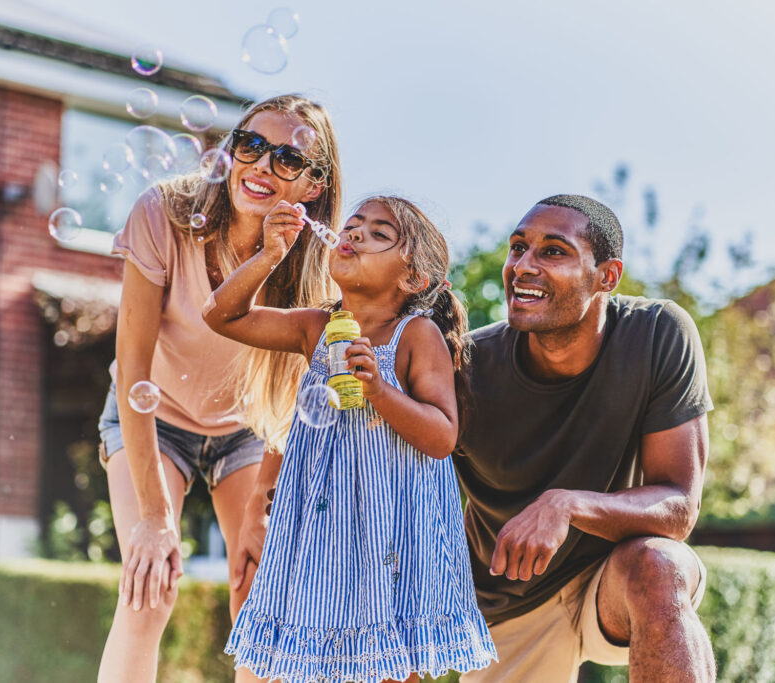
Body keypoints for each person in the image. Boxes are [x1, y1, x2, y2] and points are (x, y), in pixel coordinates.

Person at [96, 94, 342, 683]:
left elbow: (301, 404)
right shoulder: (164, 213)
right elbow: (132, 369)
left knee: (263, 596)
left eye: (287, 159)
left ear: (313, 185)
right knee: (149, 588)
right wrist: (155, 519)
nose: (261, 166)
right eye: (251, 145)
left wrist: (261, 507)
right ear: (231, 150)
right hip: (155, 418)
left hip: (251, 430)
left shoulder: (320, 265)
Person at [203, 196, 497, 682]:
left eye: (380, 234)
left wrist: (379, 390)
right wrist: (270, 254)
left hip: (392, 533)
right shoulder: (315, 327)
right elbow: (222, 316)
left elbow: (443, 435)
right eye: (353, 224)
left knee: (386, 663)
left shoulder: (415, 335)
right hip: (322, 526)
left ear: (413, 279)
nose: (355, 234)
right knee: (303, 653)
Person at [454, 195, 716, 682]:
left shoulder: (658, 334)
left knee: (659, 565)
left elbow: (678, 506)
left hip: (614, 574)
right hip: (509, 603)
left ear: (607, 276)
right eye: (517, 248)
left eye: (553, 251)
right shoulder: (466, 368)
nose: (523, 266)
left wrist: (566, 504)